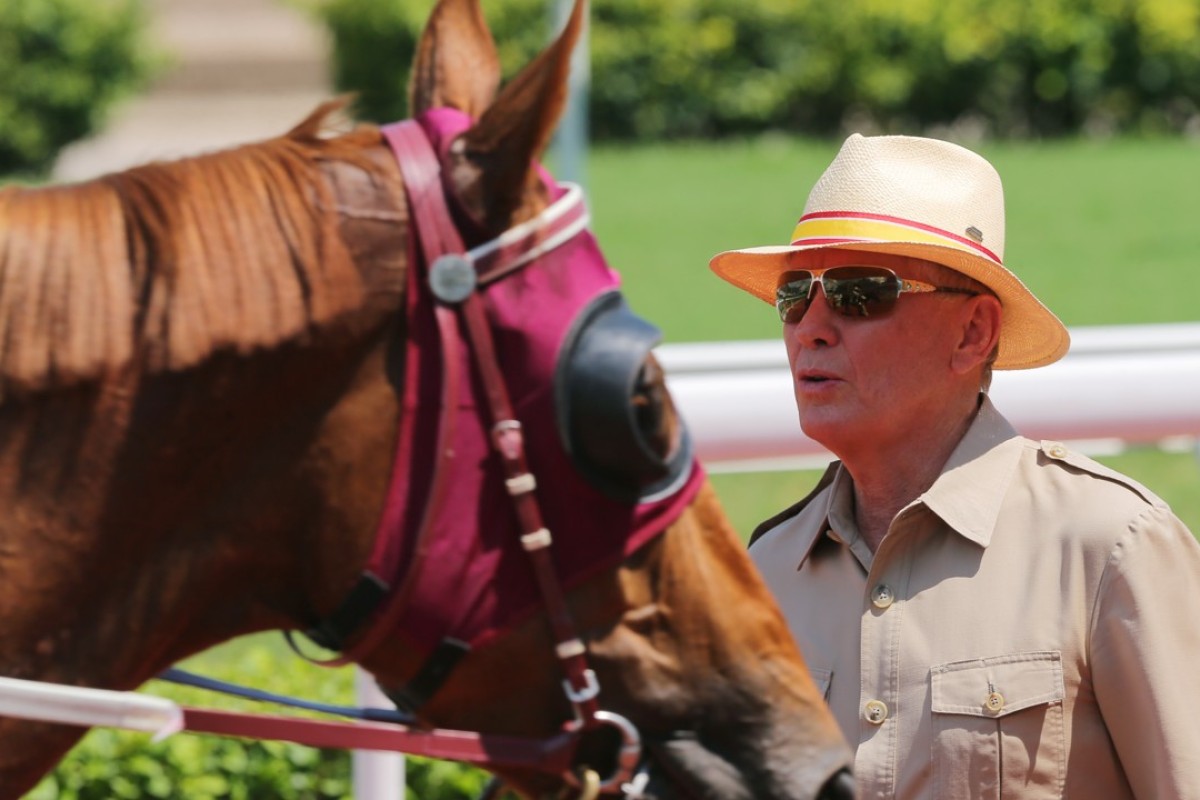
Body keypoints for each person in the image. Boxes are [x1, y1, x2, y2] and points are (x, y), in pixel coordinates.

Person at [708, 133, 1200, 798]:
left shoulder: (1108, 545)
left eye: (859, 293)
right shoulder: (766, 571)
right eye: (795, 293)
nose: (811, 327)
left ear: (974, 332)